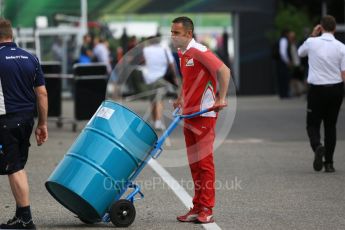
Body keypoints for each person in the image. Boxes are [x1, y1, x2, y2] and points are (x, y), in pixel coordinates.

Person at [171, 16, 230, 223]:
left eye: (176, 33)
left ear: (188, 34)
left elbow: (224, 70)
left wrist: (221, 98)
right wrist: (180, 97)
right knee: (194, 164)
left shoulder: (200, 51)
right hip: (189, 114)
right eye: (172, 32)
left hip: (203, 115)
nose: (173, 36)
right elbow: (188, 80)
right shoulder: (182, 53)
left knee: (204, 164)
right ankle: (197, 206)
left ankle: (207, 208)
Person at [0, 18, 48, 229]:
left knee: (14, 168)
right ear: (11, 34)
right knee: (16, 165)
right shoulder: (31, 57)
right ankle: (21, 215)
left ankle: (26, 220)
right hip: (27, 120)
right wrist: (43, 124)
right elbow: (42, 94)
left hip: (6, 120)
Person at [298, 15, 345, 173]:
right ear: (335, 28)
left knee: (312, 124)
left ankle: (318, 146)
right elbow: (343, 73)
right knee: (330, 126)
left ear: (321, 27)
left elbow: (300, 53)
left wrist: (312, 34)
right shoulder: (341, 47)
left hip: (317, 90)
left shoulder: (312, 42)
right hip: (336, 89)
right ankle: (329, 163)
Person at [141, 36, 178, 130]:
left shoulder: (146, 50)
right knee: (159, 100)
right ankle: (157, 121)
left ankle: (155, 120)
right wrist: (174, 77)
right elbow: (171, 64)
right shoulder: (165, 49)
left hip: (149, 78)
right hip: (161, 77)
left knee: (153, 100)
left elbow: (142, 62)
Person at [276, 29, 291, 98]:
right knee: (284, 78)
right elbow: (283, 52)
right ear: (286, 33)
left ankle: (282, 94)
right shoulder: (284, 40)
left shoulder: (281, 40)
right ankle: (284, 94)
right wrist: (287, 61)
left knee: (281, 78)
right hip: (283, 63)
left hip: (280, 62)